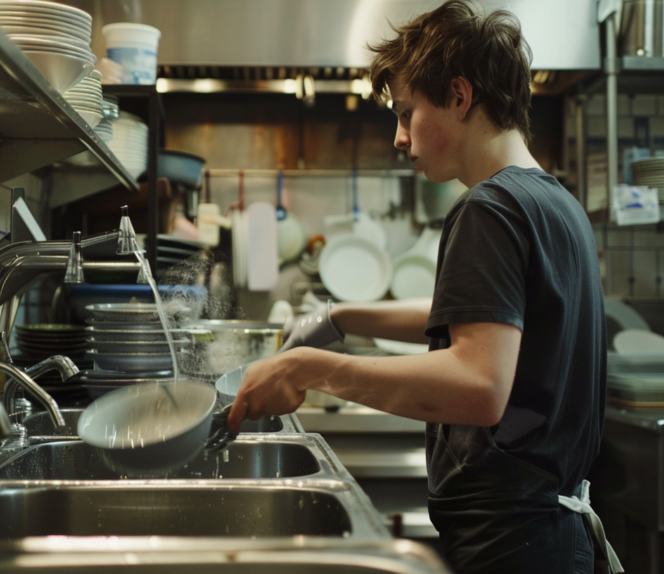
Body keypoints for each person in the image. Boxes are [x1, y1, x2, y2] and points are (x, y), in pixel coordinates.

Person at [226, 1, 622, 573]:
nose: (398, 136)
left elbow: (479, 384)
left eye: (406, 112)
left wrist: (307, 369)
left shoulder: (490, 208)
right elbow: (479, 316)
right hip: (551, 532)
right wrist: (344, 316)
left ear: (460, 97)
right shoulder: (551, 202)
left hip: (515, 541)